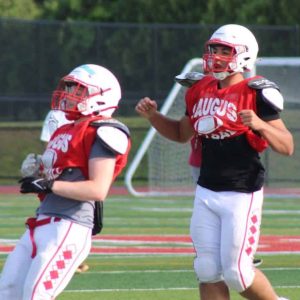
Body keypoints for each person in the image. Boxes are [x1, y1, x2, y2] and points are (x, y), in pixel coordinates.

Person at [136, 24, 293, 300]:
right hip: (207, 189)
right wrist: (153, 117)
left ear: (244, 55)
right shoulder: (200, 89)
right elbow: (181, 134)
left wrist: (260, 125)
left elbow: (287, 145)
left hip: (241, 191)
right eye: (214, 49)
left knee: (238, 272)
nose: (217, 56)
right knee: (207, 269)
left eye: (225, 50)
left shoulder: (256, 91)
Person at [0, 64, 131, 299]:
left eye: (78, 89)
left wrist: (49, 184)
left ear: (101, 95)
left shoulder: (104, 131)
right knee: (7, 291)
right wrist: (39, 170)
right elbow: (57, 177)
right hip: (42, 221)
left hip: (70, 226)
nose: (69, 93)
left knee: (36, 294)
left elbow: (98, 189)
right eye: (70, 87)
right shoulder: (65, 130)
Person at [21, 110, 89, 274]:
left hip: (77, 179)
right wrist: (40, 168)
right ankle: (61, 255)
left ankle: (69, 256)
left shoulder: (91, 119)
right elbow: (50, 149)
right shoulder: (56, 114)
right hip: (57, 181)